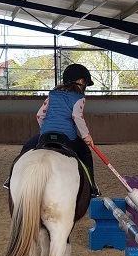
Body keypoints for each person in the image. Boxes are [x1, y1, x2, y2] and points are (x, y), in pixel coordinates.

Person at [20, 63, 100, 197]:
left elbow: (39, 115)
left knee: (26, 149)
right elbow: (77, 116)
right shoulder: (79, 98)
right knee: (86, 154)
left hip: (45, 133)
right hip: (68, 136)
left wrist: (45, 130)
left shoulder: (53, 94)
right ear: (81, 81)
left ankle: (11, 179)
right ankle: (92, 186)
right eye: (85, 82)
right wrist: (87, 136)